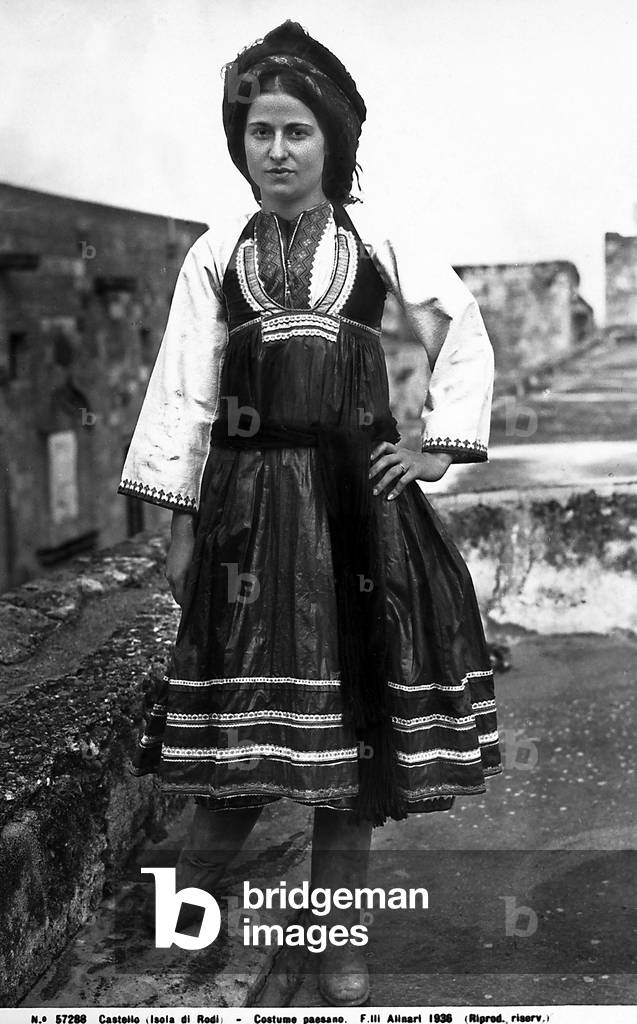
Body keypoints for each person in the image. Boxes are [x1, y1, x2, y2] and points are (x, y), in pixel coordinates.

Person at [118, 20, 502, 1007]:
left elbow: (460, 329)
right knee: (236, 751)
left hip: (360, 516)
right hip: (248, 518)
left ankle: (335, 942)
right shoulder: (216, 253)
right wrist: (179, 523)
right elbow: (183, 392)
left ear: (330, 139)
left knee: (353, 747)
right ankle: (185, 925)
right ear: (237, 144)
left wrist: (434, 446)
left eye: (295, 131)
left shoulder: (375, 243)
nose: (276, 150)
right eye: (257, 132)